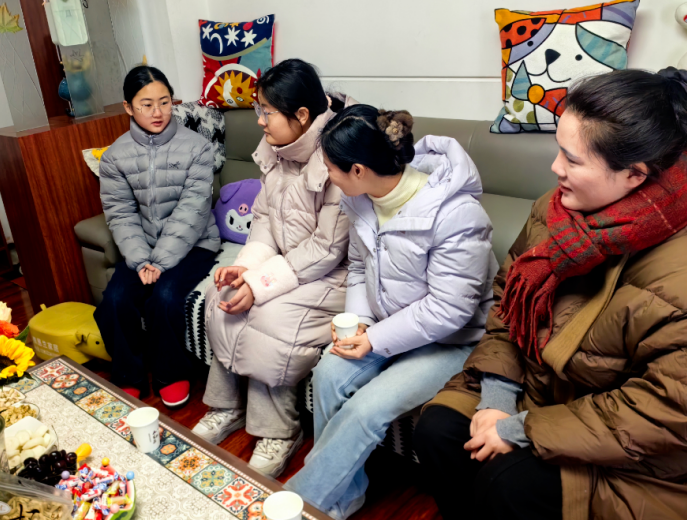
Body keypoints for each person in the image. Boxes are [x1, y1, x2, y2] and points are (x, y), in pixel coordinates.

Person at [413, 68, 687, 520]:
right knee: (438, 431)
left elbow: (664, 408)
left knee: (510, 482)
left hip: (635, 449)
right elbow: (508, 299)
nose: (556, 168)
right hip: (538, 389)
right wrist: (498, 396)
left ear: (634, 175)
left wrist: (522, 430)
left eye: (572, 160)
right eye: (558, 150)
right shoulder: (555, 209)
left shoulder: (676, 274)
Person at [285, 104, 498, 519]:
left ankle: (302, 503)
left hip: (453, 342)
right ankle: (345, 495)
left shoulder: (456, 214)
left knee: (366, 409)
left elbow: (449, 309)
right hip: (386, 327)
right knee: (328, 373)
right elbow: (359, 266)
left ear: (358, 170)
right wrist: (360, 323)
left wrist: (374, 340)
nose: (327, 176)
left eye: (330, 167)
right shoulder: (361, 201)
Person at [191, 59, 352, 477]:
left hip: (335, 276)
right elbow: (263, 221)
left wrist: (262, 285)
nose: (259, 120)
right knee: (222, 294)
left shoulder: (338, 154)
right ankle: (225, 407)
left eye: (267, 111)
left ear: (303, 116)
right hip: (289, 265)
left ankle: (280, 431)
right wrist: (245, 269)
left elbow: (326, 250)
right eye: (258, 109)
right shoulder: (277, 151)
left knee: (270, 319)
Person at [94, 66, 219, 406]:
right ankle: (128, 375)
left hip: (194, 243)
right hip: (142, 248)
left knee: (165, 297)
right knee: (115, 299)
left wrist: (160, 262)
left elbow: (193, 210)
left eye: (164, 102)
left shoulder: (197, 147)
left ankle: (171, 374)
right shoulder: (115, 156)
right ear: (128, 107)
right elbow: (120, 213)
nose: (158, 112)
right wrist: (140, 260)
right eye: (146, 104)